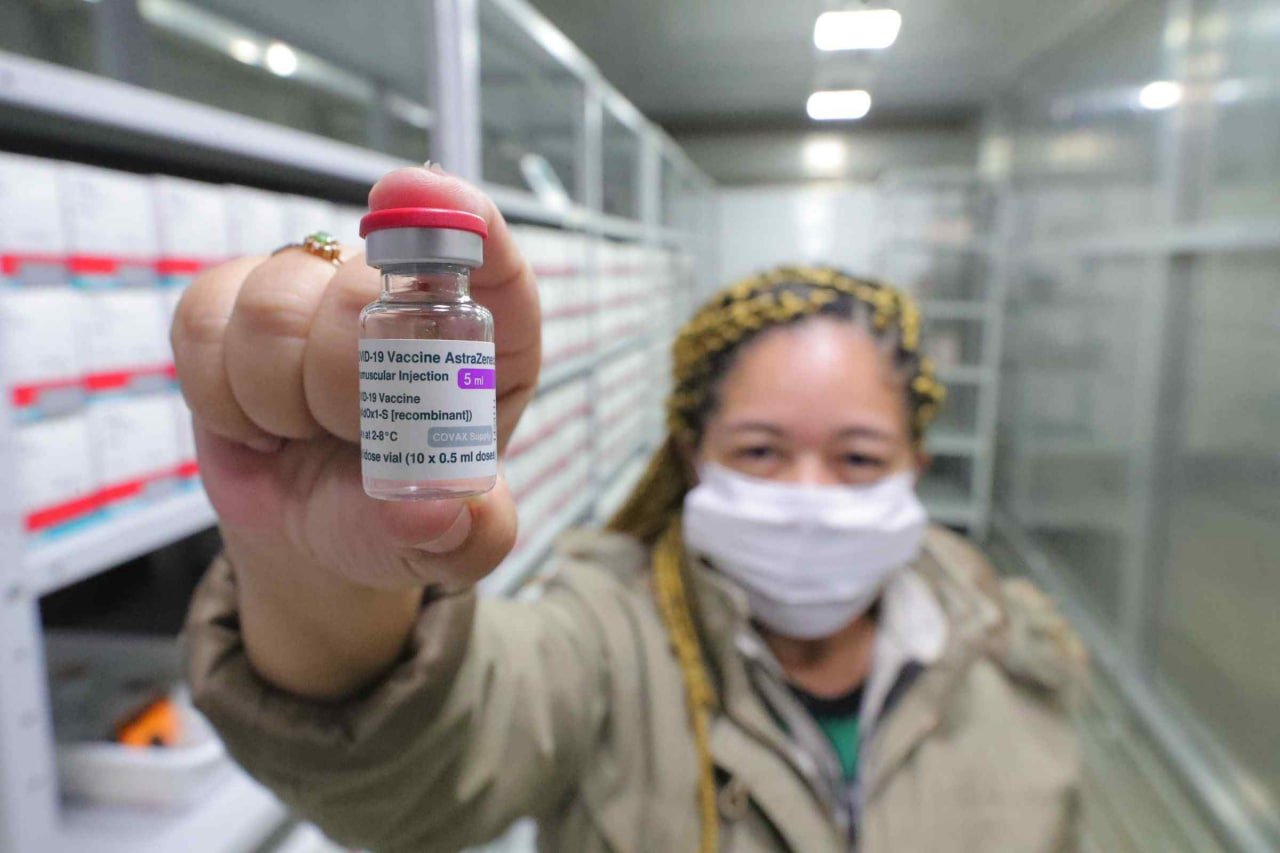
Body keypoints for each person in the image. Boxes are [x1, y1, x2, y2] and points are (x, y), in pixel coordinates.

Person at [178, 166, 1087, 852]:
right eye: (761, 451)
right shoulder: (609, 633)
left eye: (858, 458)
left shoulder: (1003, 642)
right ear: (692, 455)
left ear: (914, 466)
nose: (810, 497)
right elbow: (413, 776)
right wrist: (313, 573)